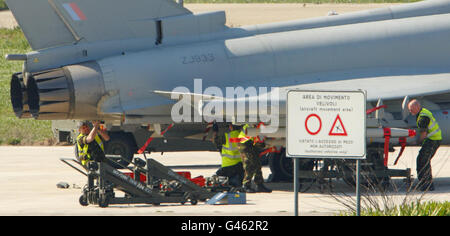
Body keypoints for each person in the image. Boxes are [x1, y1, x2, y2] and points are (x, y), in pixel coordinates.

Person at [408, 99, 442, 191]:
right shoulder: (422, 113)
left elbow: (423, 134)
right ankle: (425, 183)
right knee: (422, 160)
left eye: (411, 109)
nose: (410, 111)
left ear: (417, 107)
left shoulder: (423, 117)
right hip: (433, 139)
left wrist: (417, 142)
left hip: (432, 140)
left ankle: (427, 185)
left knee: (423, 161)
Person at [236, 124, 272, 193]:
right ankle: (246, 185)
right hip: (245, 144)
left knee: (257, 164)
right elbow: (258, 141)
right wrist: (263, 144)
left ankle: (259, 185)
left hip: (250, 144)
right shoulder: (253, 125)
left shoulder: (257, 125)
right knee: (249, 164)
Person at [212, 123, 244, 188]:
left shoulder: (227, 137)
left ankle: (232, 182)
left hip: (227, 167)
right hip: (240, 167)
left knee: (215, 178)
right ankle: (236, 181)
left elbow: (215, 141)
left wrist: (215, 131)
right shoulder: (243, 136)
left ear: (231, 127)